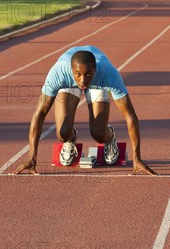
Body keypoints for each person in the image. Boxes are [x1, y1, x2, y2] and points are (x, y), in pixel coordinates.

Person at [13, 45, 156, 175]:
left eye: (88, 74)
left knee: (98, 134)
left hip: (98, 83)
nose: (82, 81)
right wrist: (32, 158)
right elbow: (40, 113)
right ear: (71, 71)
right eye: (78, 74)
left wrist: (137, 157)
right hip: (68, 82)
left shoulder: (108, 74)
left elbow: (130, 115)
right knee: (62, 133)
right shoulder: (58, 74)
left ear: (95, 70)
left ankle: (110, 137)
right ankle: (71, 139)